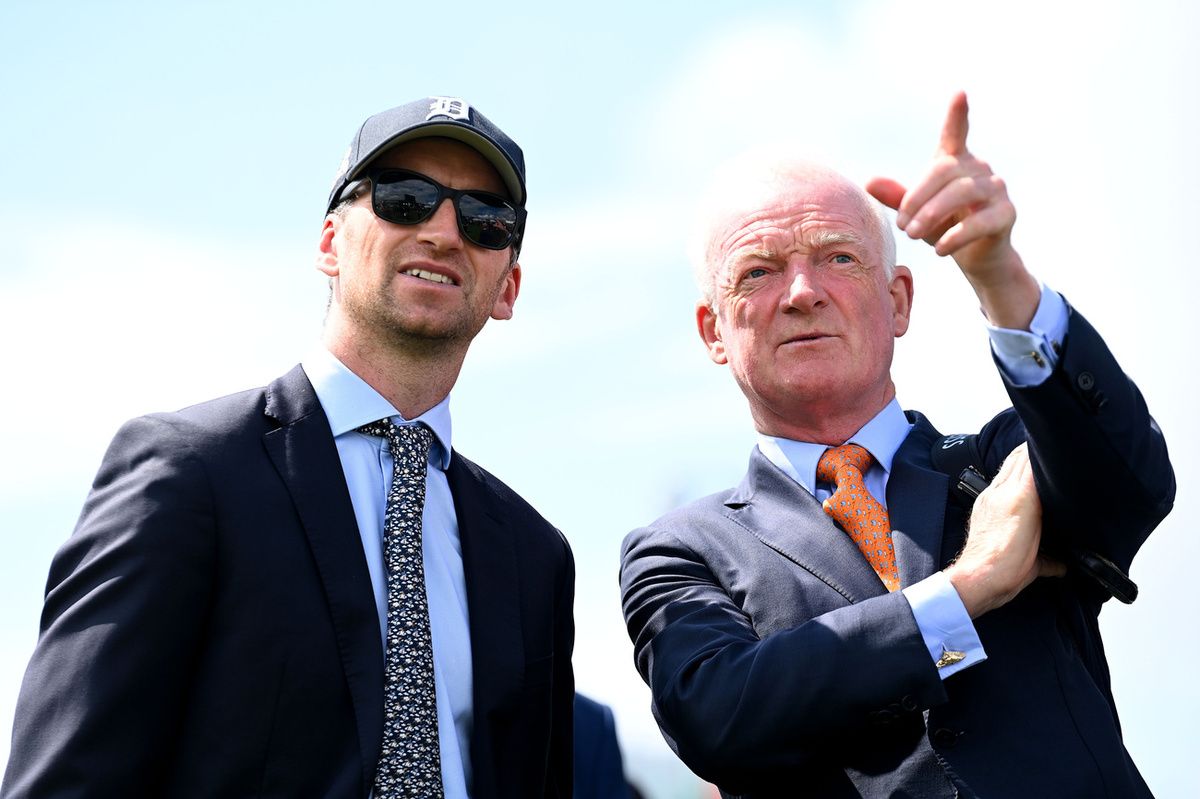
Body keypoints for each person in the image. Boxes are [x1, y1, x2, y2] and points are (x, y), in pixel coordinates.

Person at [2, 96, 574, 799]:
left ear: (508, 285)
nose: (444, 230)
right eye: (405, 198)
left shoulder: (534, 555)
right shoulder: (188, 473)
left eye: (486, 219)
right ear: (330, 243)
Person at [619, 92, 1174, 798]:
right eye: (758, 270)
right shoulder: (683, 549)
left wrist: (1001, 276)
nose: (801, 293)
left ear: (900, 300)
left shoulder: (1001, 461)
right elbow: (720, 714)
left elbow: (1132, 482)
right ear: (712, 332)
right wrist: (969, 588)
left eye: (838, 257)